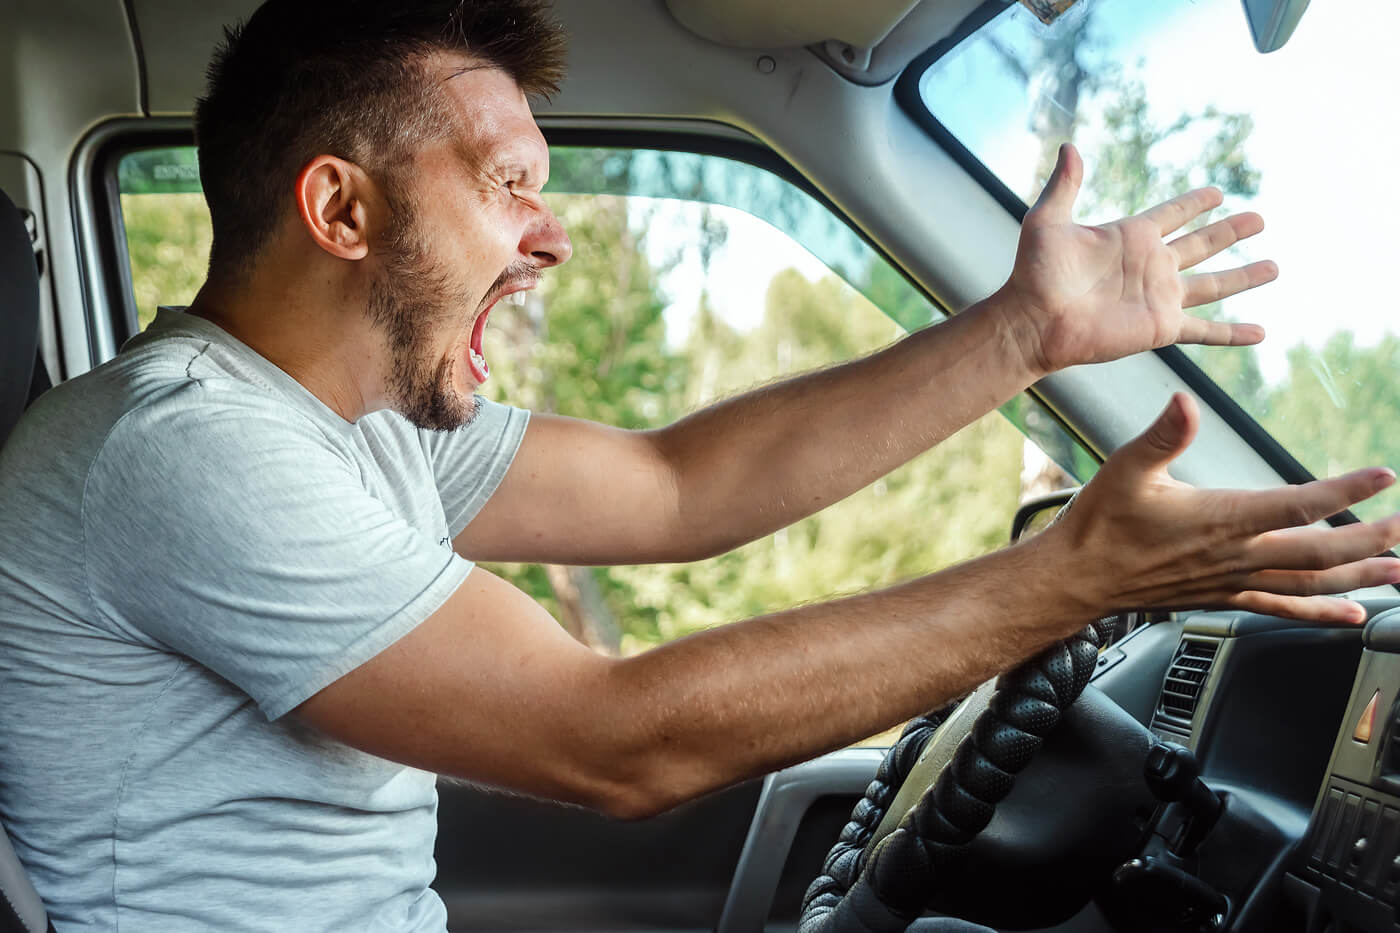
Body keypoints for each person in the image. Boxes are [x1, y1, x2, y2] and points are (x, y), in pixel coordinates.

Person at [1, 0, 1397, 930]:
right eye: (506, 184)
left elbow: (683, 486)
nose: (547, 235)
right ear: (340, 207)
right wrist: (1070, 580)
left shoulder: (348, 426)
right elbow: (617, 738)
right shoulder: (186, 449)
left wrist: (1026, 331)